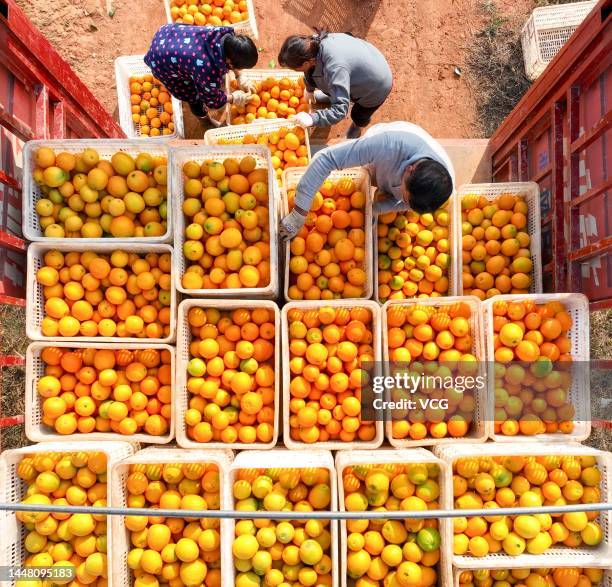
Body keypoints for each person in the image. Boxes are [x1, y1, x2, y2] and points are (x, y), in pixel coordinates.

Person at [279, 121, 455, 240]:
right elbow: (325, 159)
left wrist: (378, 208)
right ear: (410, 169)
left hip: (398, 173)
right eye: (405, 196)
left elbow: (406, 204)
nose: (404, 200)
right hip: (381, 154)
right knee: (363, 172)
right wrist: (299, 212)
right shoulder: (386, 145)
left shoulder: (438, 190)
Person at [278, 31, 392, 138]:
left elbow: (340, 111)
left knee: (359, 114)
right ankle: (333, 96)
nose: (293, 70)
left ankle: (357, 127)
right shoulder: (311, 45)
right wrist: (309, 88)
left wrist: (313, 118)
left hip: (377, 85)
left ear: (306, 62)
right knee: (329, 83)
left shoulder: (335, 68)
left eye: (294, 68)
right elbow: (309, 70)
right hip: (367, 59)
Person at [145, 24, 258, 120]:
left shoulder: (224, 34)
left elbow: (230, 57)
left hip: (169, 34)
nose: (239, 70)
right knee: (189, 92)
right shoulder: (208, 70)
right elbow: (212, 100)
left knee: (196, 73)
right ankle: (197, 109)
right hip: (160, 61)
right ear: (231, 63)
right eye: (240, 68)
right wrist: (234, 98)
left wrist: (239, 76)